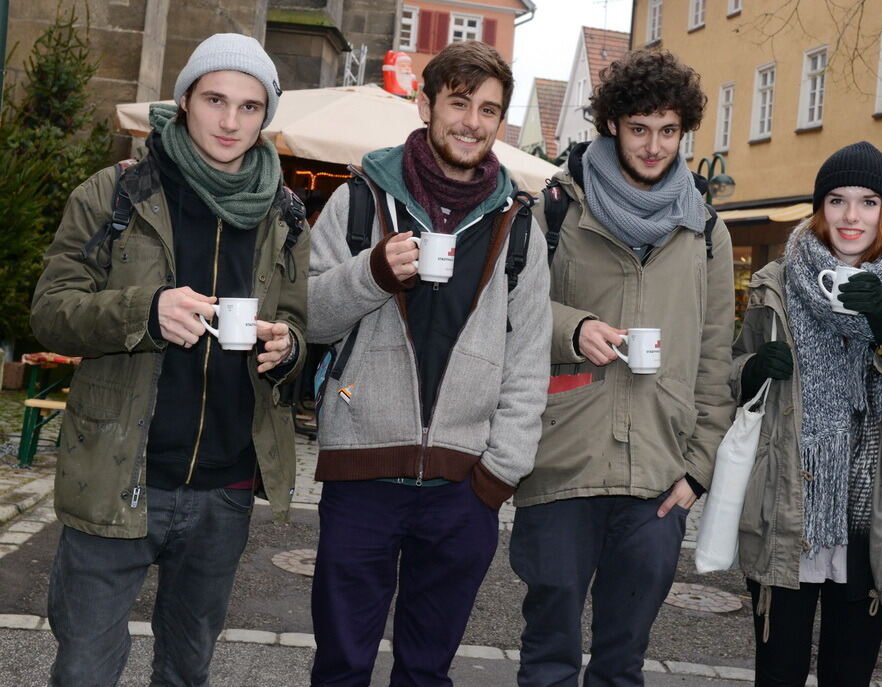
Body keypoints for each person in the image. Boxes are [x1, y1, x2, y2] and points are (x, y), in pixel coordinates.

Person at [30, 33, 308, 686]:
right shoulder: (119, 192)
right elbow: (49, 309)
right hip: (116, 473)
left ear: (265, 116)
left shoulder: (284, 213)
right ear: (185, 99)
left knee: (187, 671)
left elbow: (298, 324)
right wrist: (143, 312)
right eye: (215, 99)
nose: (230, 121)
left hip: (223, 491)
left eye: (249, 106)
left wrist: (288, 347)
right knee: (83, 671)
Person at [307, 40, 551, 686]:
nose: (472, 121)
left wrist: (497, 476)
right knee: (340, 665)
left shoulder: (520, 226)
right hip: (360, 475)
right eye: (460, 102)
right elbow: (309, 315)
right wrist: (373, 271)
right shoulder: (359, 202)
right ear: (425, 105)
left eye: (489, 109)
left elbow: (529, 360)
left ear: (502, 123)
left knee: (426, 671)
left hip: (462, 490)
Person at [510, 49, 736, 687]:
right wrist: (572, 329)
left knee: (621, 664)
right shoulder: (556, 210)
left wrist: (698, 468)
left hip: (659, 477)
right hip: (560, 460)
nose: (654, 145)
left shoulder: (705, 230)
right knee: (547, 658)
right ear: (612, 125)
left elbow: (716, 357)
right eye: (639, 128)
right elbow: (512, 313)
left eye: (669, 130)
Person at [732, 141, 882, 686]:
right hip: (787, 511)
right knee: (777, 674)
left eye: (867, 201)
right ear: (819, 207)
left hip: (871, 519)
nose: (850, 216)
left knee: (847, 677)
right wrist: (753, 371)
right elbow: (729, 377)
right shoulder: (777, 283)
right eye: (836, 200)